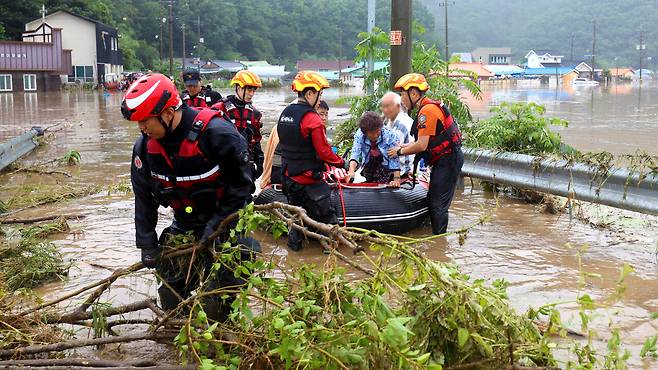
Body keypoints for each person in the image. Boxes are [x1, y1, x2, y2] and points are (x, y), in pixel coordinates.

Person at [122, 73, 260, 321]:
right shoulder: (144, 147)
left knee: (215, 305)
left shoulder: (217, 134)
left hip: (227, 224)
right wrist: (147, 243)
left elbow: (242, 188)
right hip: (185, 225)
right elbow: (143, 197)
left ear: (167, 113)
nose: (141, 128)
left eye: (145, 121)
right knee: (171, 297)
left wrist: (216, 226)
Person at [277, 72, 346, 251]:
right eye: (319, 94)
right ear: (309, 94)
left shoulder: (285, 113)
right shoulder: (312, 119)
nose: (319, 98)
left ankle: (294, 253)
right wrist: (341, 163)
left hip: (288, 177)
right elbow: (324, 152)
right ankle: (331, 255)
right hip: (308, 179)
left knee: (295, 221)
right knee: (328, 217)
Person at [387, 73, 464, 235]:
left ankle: (440, 242)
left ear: (414, 94)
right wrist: (403, 146)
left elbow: (422, 146)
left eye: (402, 94)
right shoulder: (427, 108)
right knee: (435, 200)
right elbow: (424, 141)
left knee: (437, 204)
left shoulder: (426, 112)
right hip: (445, 159)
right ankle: (438, 237)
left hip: (448, 160)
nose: (401, 99)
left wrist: (399, 151)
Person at [260, 100, 329, 189]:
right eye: (321, 114)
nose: (323, 118)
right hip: (284, 171)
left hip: (286, 170)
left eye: (326, 115)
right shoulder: (302, 127)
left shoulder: (287, 123)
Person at [212, 70, 264, 179]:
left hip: (245, 163)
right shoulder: (219, 109)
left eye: (254, 90)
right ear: (238, 87)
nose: (252, 94)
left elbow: (256, 140)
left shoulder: (255, 114)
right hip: (223, 162)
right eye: (249, 89)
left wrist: (259, 160)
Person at [344, 112, 401, 187]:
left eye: (379, 130)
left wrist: (396, 180)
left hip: (386, 165)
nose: (378, 134)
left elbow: (394, 158)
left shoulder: (390, 135)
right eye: (374, 132)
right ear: (366, 133)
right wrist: (351, 172)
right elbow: (355, 153)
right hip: (369, 163)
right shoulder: (360, 135)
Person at [380, 91, 414, 177]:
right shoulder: (391, 121)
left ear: (398, 106)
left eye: (387, 106)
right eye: (383, 107)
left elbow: (390, 151)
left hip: (403, 170)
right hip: (395, 166)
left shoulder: (401, 123)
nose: (384, 110)